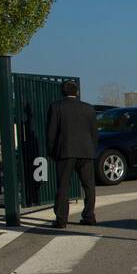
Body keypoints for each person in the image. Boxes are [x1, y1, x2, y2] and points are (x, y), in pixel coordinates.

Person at [45, 80, 97, 230]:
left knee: (63, 186)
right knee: (89, 186)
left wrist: (51, 151)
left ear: (62, 92)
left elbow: (51, 132)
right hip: (86, 151)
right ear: (77, 92)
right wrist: (92, 149)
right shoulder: (88, 108)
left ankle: (61, 219)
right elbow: (94, 132)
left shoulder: (56, 107)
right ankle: (89, 216)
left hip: (65, 151)